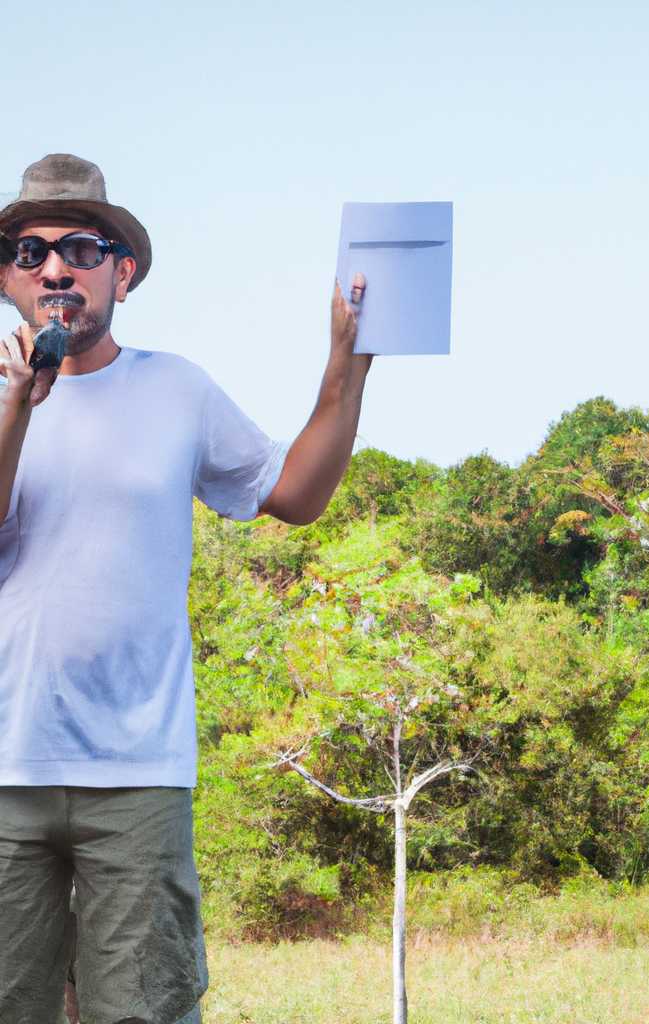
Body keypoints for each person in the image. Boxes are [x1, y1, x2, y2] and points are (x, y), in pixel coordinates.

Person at [0, 153, 372, 1024]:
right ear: (8, 279)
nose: (56, 267)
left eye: (82, 248)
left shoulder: (177, 389)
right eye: (30, 251)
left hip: (137, 774)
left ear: (121, 274)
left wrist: (347, 367)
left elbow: (297, 495)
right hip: (4, 770)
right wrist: (18, 407)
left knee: (143, 1010)